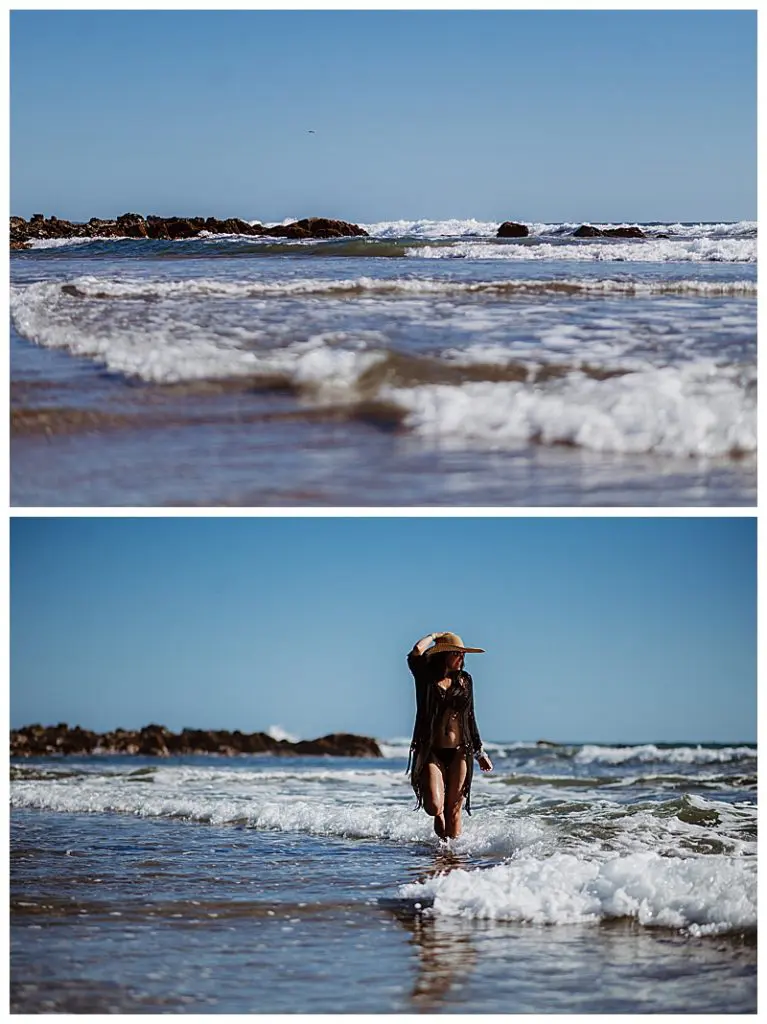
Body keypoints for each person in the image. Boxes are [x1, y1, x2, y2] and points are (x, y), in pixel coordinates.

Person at [406, 631, 493, 840]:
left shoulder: (465, 681)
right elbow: (416, 652)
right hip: (431, 750)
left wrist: (480, 752)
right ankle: (438, 820)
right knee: (435, 807)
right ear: (442, 654)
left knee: (453, 811)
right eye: (457, 653)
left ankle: (451, 860)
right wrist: (434, 636)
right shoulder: (425, 677)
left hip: (461, 750)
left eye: (463, 654)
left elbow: (470, 716)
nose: (462, 658)